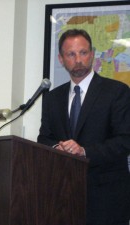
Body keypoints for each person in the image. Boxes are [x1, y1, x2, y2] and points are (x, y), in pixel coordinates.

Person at [37, 29, 130, 225]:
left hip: (107, 198)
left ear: (93, 54)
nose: (78, 59)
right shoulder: (52, 98)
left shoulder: (117, 92)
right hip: (63, 198)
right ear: (61, 59)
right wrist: (57, 148)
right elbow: (44, 138)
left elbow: (125, 140)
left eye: (83, 52)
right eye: (71, 54)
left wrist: (84, 151)